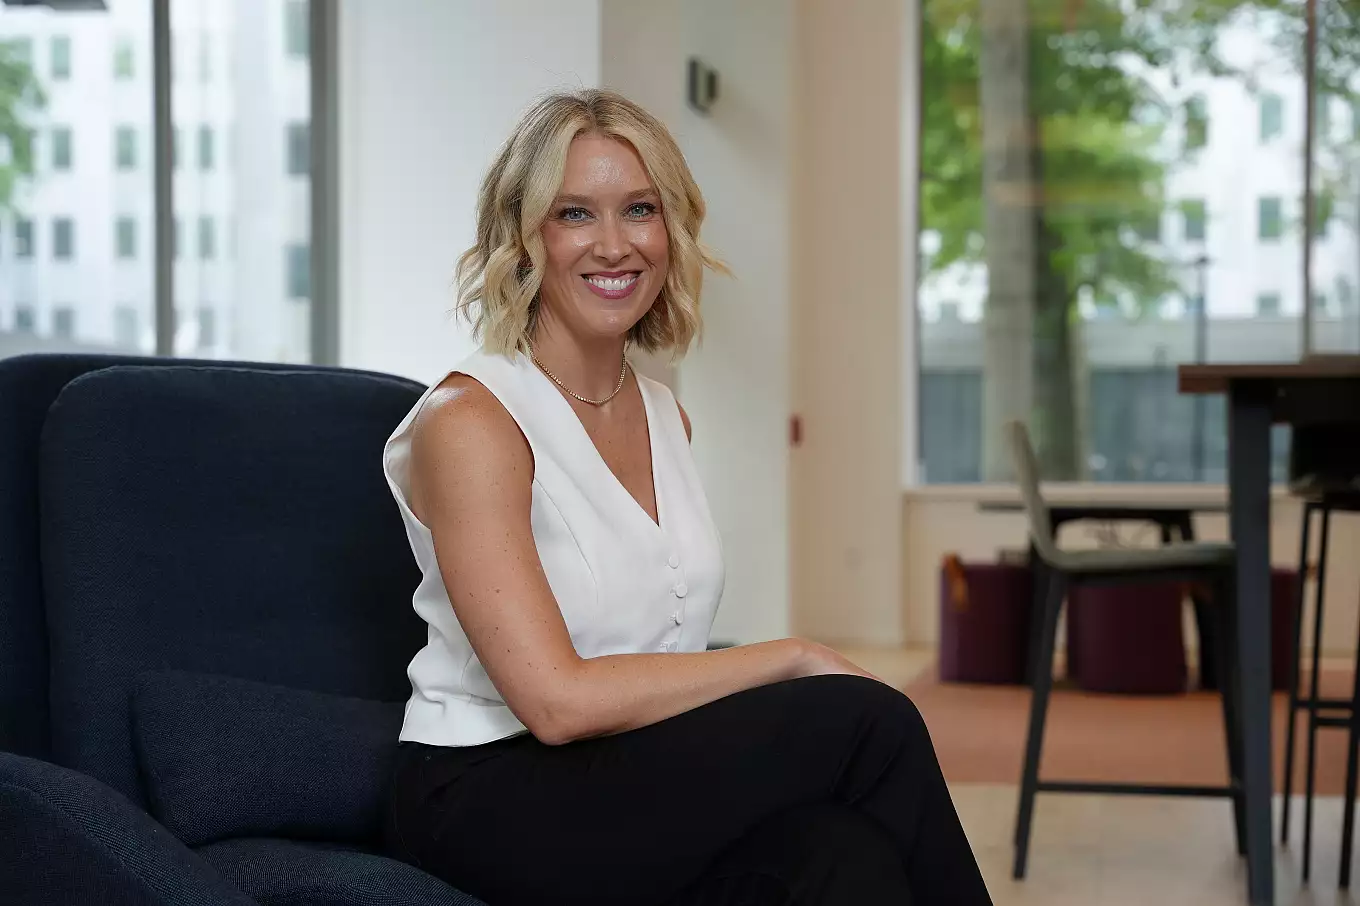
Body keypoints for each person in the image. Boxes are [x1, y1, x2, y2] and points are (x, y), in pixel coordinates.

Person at [381, 88, 993, 906]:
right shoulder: (472, 421)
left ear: (670, 229)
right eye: (572, 214)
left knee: (844, 855)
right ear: (523, 239)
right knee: (867, 723)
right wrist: (791, 656)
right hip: (487, 787)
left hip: (628, 771)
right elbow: (555, 702)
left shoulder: (665, 413)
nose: (612, 244)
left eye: (639, 209)